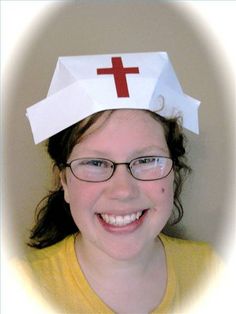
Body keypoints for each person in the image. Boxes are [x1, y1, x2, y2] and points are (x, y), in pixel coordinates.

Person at [24, 52, 222, 314]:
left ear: (173, 173)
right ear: (64, 182)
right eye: (95, 163)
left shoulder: (215, 271)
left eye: (147, 159)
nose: (123, 191)